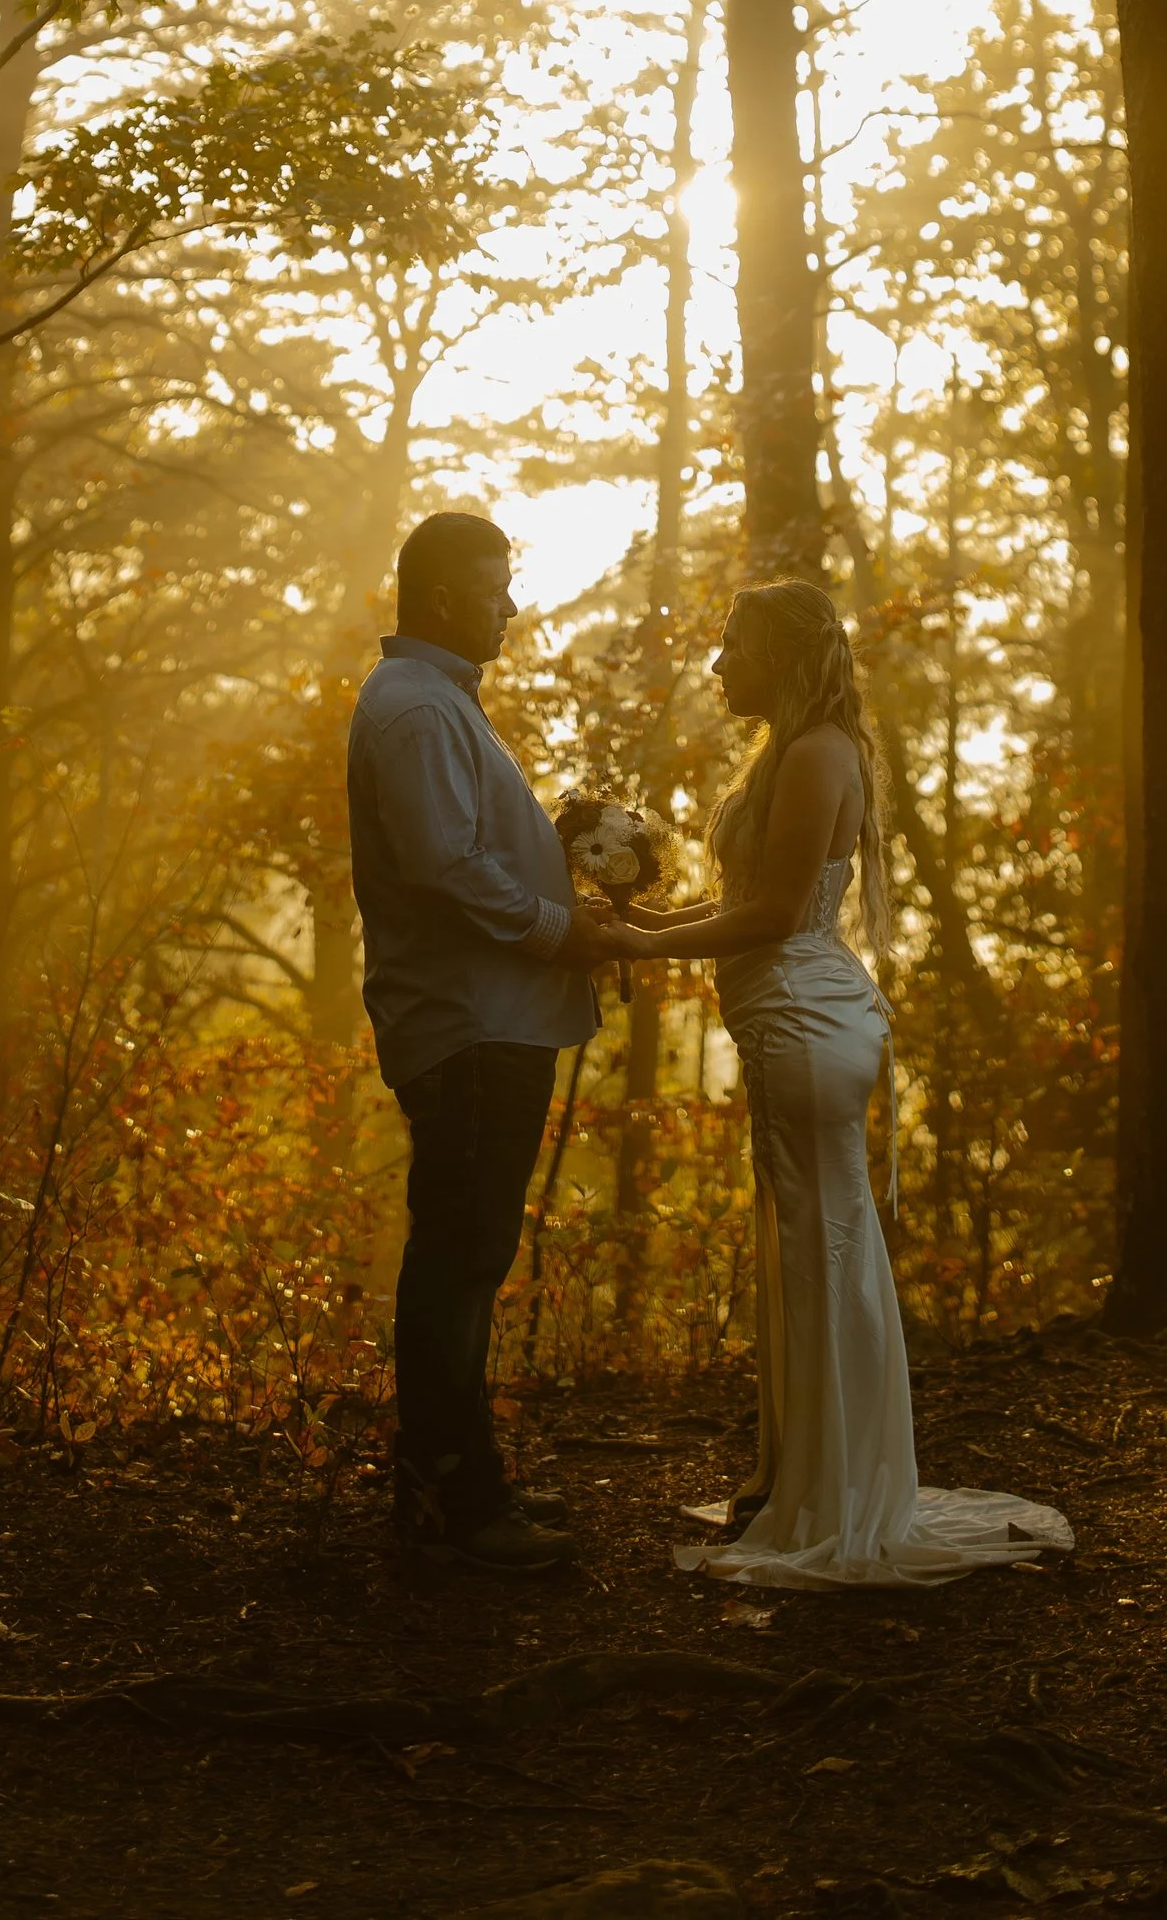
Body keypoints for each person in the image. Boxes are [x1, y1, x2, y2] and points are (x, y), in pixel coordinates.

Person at [621, 580, 1071, 1587]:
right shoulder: (789, 752)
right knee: (807, 1243)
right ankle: (806, 1473)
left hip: (804, 1019)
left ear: (778, 655)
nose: (717, 665)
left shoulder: (820, 754)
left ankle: (837, 1491)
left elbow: (778, 915)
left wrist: (636, 950)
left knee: (821, 1244)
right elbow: (743, 894)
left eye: (733, 647)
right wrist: (643, 922)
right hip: (785, 1018)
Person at [345, 507, 615, 1574]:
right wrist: (557, 929)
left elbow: (465, 848)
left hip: (490, 1019)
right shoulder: (417, 708)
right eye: (496, 588)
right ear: (445, 596)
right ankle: (453, 1500)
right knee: (458, 1261)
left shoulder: (438, 702)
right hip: (467, 1025)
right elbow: (443, 867)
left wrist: (557, 855)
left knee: (467, 1257)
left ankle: (456, 1478)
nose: (511, 607)